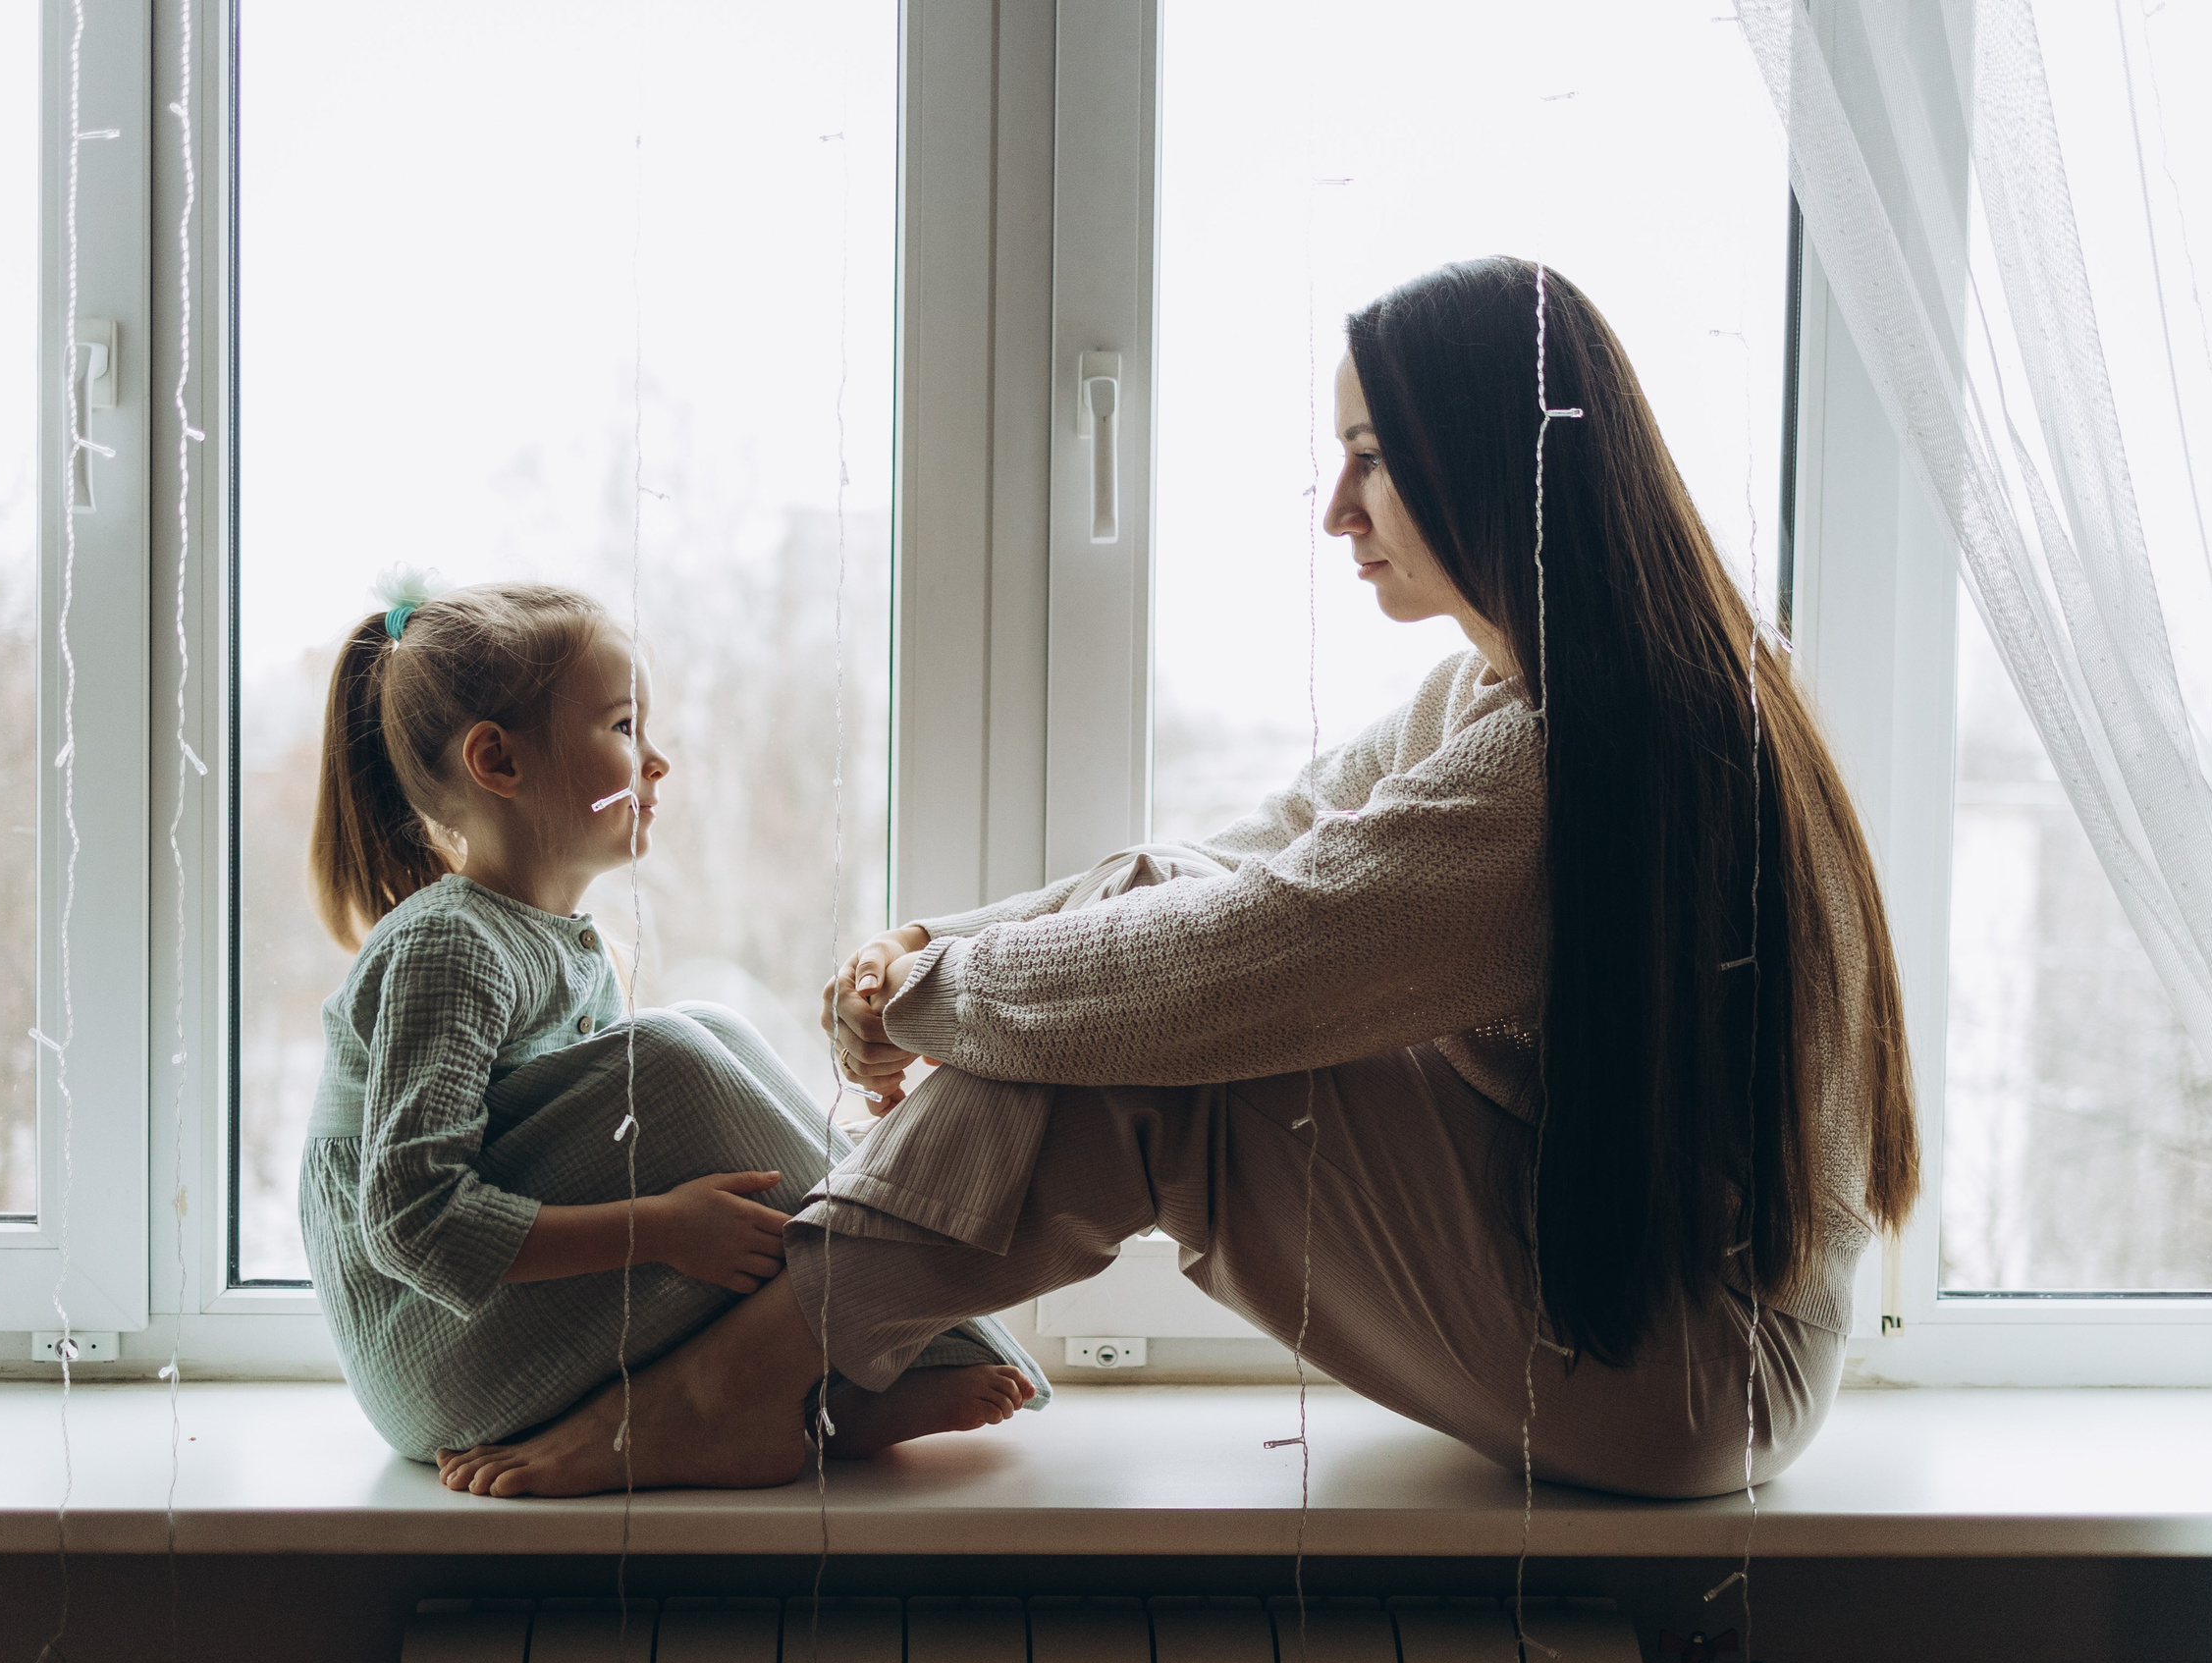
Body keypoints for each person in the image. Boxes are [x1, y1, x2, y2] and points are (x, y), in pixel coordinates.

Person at [438, 256, 1919, 1502]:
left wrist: (939, 993)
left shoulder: (1576, 756)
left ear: (1494, 462)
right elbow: (1252, 855)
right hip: (1654, 1316)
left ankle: (745, 1377)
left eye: (1374, 459)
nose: (1337, 508)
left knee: (1163, 1056)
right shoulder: (1535, 689)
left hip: (1698, 1367)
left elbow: (1250, 956)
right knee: (1155, 907)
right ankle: (816, 1356)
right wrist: (923, 957)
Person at [297, 577, 1041, 1490]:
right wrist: (661, 1230)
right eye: (621, 729)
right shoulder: (447, 945)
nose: (657, 763)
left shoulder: (562, 945)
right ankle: (910, 1337)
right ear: (498, 761)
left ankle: (823, 1395)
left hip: (492, 1344)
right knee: (677, 1053)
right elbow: (412, 1223)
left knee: (703, 1028)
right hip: (437, 1366)